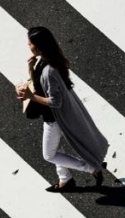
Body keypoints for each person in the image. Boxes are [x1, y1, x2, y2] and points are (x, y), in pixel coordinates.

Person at [16, 26, 108, 192]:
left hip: (55, 118)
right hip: (52, 116)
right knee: (55, 148)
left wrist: (30, 96)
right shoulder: (46, 60)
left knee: (49, 155)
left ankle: (91, 168)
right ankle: (65, 179)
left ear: (38, 46)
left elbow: (55, 102)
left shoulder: (49, 69)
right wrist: (30, 70)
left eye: (30, 44)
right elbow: (39, 84)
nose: (28, 46)